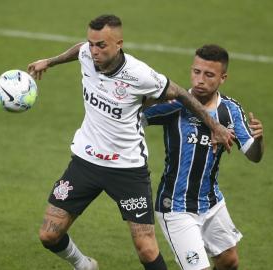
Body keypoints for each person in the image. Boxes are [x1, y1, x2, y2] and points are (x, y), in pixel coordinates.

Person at [27, 15, 235, 270]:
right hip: (86, 161)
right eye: (91, 43)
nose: (94, 51)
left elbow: (180, 93)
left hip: (127, 168)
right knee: (49, 235)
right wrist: (49, 62)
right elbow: (78, 50)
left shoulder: (139, 75)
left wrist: (214, 126)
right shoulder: (86, 55)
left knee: (147, 249)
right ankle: (83, 265)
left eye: (101, 45)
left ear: (119, 43)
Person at [142, 44, 264, 270]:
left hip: (211, 203)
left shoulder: (230, 110)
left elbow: (253, 155)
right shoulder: (174, 105)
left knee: (229, 261)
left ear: (222, 78)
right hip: (175, 206)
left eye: (209, 75)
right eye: (196, 72)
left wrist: (258, 141)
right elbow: (133, 118)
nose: (200, 80)